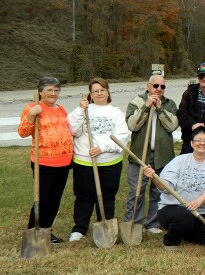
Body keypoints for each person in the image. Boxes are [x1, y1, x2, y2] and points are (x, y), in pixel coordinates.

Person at [67, 78, 130, 242]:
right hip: (84, 161)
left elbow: (122, 137)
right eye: (95, 91)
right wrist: (81, 110)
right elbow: (73, 129)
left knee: (107, 195)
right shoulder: (84, 110)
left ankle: (105, 223)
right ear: (90, 94)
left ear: (108, 92)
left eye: (102, 90)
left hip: (110, 162)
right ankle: (79, 228)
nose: (99, 93)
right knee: (83, 196)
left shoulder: (116, 113)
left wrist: (102, 148)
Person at [143, 126, 205, 249]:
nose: (202, 143)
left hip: (202, 210)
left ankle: (185, 231)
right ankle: (171, 241)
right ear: (191, 143)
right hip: (173, 208)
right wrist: (154, 178)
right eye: (198, 140)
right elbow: (165, 187)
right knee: (184, 216)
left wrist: (199, 201)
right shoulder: (179, 161)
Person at [18, 76, 73, 244]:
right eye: (49, 90)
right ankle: (33, 233)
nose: (53, 93)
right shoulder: (32, 108)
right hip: (44, 163)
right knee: (42, 199)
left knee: (55, 200)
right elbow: (22, 132)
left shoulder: (61, 109)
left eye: (56, 90)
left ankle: (47, 231)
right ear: (40, 91)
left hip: (64, 162)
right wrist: (31, 116)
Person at [124, 74, 179, 234]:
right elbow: (132, 125)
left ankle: (152, 224)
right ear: (148, 86)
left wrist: (160, 109)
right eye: (156, 86)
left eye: (162, 87)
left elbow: (172, 126)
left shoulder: (169, 104)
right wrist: (147, 106)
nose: (159, 89)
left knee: (158, 192)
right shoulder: (136, 101)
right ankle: (133, 222)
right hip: (139, 156)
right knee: (136, 192)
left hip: (162, 156)